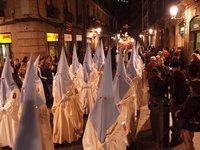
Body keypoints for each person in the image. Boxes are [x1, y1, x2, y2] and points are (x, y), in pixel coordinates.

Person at [175, 79, 200, 150]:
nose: (189, 88)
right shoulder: (193, 97)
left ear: (195, 88)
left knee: (188, 143)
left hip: (190, 124)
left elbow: (187, 113)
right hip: (192, 122)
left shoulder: (194, 99)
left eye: (191, 86)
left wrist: (178, 114)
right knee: (189, 142)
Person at [148, 67, 167, 146]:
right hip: (159, 101)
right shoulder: (161, 81)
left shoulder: (150, 80)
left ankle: (155, 138)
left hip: (152, 101)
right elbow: (164, 91)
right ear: (158, 73)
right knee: (160, 120)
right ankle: (159, 140)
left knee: (153, 119)